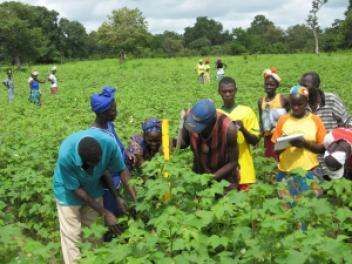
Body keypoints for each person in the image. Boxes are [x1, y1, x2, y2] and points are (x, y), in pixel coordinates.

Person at [53, 127, 135, 264]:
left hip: (94, 189)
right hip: (67, 192)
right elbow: (76, 189)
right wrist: (105, 213)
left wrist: (122, 197)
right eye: (90, 165)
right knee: (72, 236)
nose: (94, 167)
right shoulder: (66, 155)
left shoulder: (108, 144)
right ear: (82, 160)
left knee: (93, 233)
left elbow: (119, 171)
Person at [272, 85, 326, 198]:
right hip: (286, 172)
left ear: (306, 102)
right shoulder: (283, 120)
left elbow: (322, 148)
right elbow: (275, 149)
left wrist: (305, 144)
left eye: (300, 104)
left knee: (310, 209)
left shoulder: (315, 120)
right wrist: (287, 142)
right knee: (287, 209)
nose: (296, 108)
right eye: (293, 104)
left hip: (310, 172)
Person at [90, 86, 136, 219]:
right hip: (109, 184)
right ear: (103, 113)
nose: (116, 112)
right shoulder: (96, 137)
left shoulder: (108, 124)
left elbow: (118, 145)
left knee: (125, 211)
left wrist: (126, 152)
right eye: (113, 110)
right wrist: (118, 195)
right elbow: (103, 170)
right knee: (114, 216)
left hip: (122, 177)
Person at [300, 71, 352, 176]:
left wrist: (342, 145)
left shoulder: (331, 100)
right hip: (312, 162)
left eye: (305, 86)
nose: (302, 89)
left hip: (334, 159)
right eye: (300, 85)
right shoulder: (300, 105)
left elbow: (348, 122)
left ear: (316, 86)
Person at [179, 99, 239, 189]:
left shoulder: (229, 130)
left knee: (225, 201)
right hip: (200, 174)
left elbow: (233, 162)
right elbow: (184, 143)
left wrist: (209, 178)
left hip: (225, 180)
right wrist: (171, 142)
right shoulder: (190, 119)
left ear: (212, 121)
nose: (196, 130)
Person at [218, 77, 260, 191]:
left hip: (244, 170)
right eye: (224, 91)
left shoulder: (247, 111)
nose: (227, 94)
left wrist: (243, 129)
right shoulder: (216, 114)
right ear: (219, 92)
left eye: (230, 91)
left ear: (236, 91)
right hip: (223, 171)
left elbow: (255, 141)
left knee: (245, 205)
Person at [258, 68, 289, 159]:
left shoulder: (283, 99)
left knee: (282, 160)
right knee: (270, 161)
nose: (269, 87)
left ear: (277, 85)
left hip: (281, 136)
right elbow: (261, 120)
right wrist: (258, 138)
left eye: (272, 84)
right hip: (268, 137)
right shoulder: (261, 101)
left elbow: (290, 112)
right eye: (267, 84)